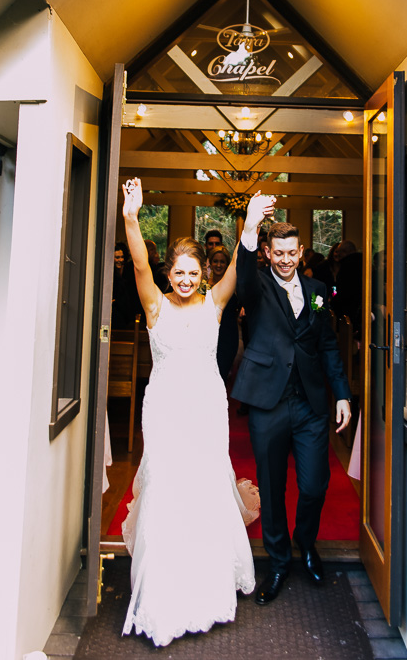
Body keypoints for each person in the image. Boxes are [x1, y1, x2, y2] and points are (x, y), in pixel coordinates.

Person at [120, 179, 269, 647]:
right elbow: (139, 262)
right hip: (165, 414)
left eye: (192, 273)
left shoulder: (216, 304)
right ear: (169, 274)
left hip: (205, 414)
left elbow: (240, 272)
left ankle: (205, 588)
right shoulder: (155, 307)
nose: (184, 280)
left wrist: (250, 226)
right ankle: (163, 593)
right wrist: (131, 217)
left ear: (203, 274)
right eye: (177, 273)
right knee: (167, 494)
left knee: (202, 492)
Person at [232, 211, 352, 605]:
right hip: (268, 402)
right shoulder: (256, 285)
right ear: (268, 253)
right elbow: (244, 276)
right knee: (271, 485)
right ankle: (279, 561)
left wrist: (341, 394)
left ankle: (307, 543)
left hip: (311, 404)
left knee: (315, 485)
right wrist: (250, 229)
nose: (284, 259)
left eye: (291, 253)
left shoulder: (318, 289)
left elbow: (329, 345)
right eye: (277, 252)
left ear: (301, 252)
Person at [209, 245, 240, 382]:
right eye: (215, 261)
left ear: (227, 263)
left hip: (227, 338)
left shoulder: (234, 285)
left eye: (222, 262)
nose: (218, 265)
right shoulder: (202, 285)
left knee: (220, 376)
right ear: (210, 263)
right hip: (207, 337)